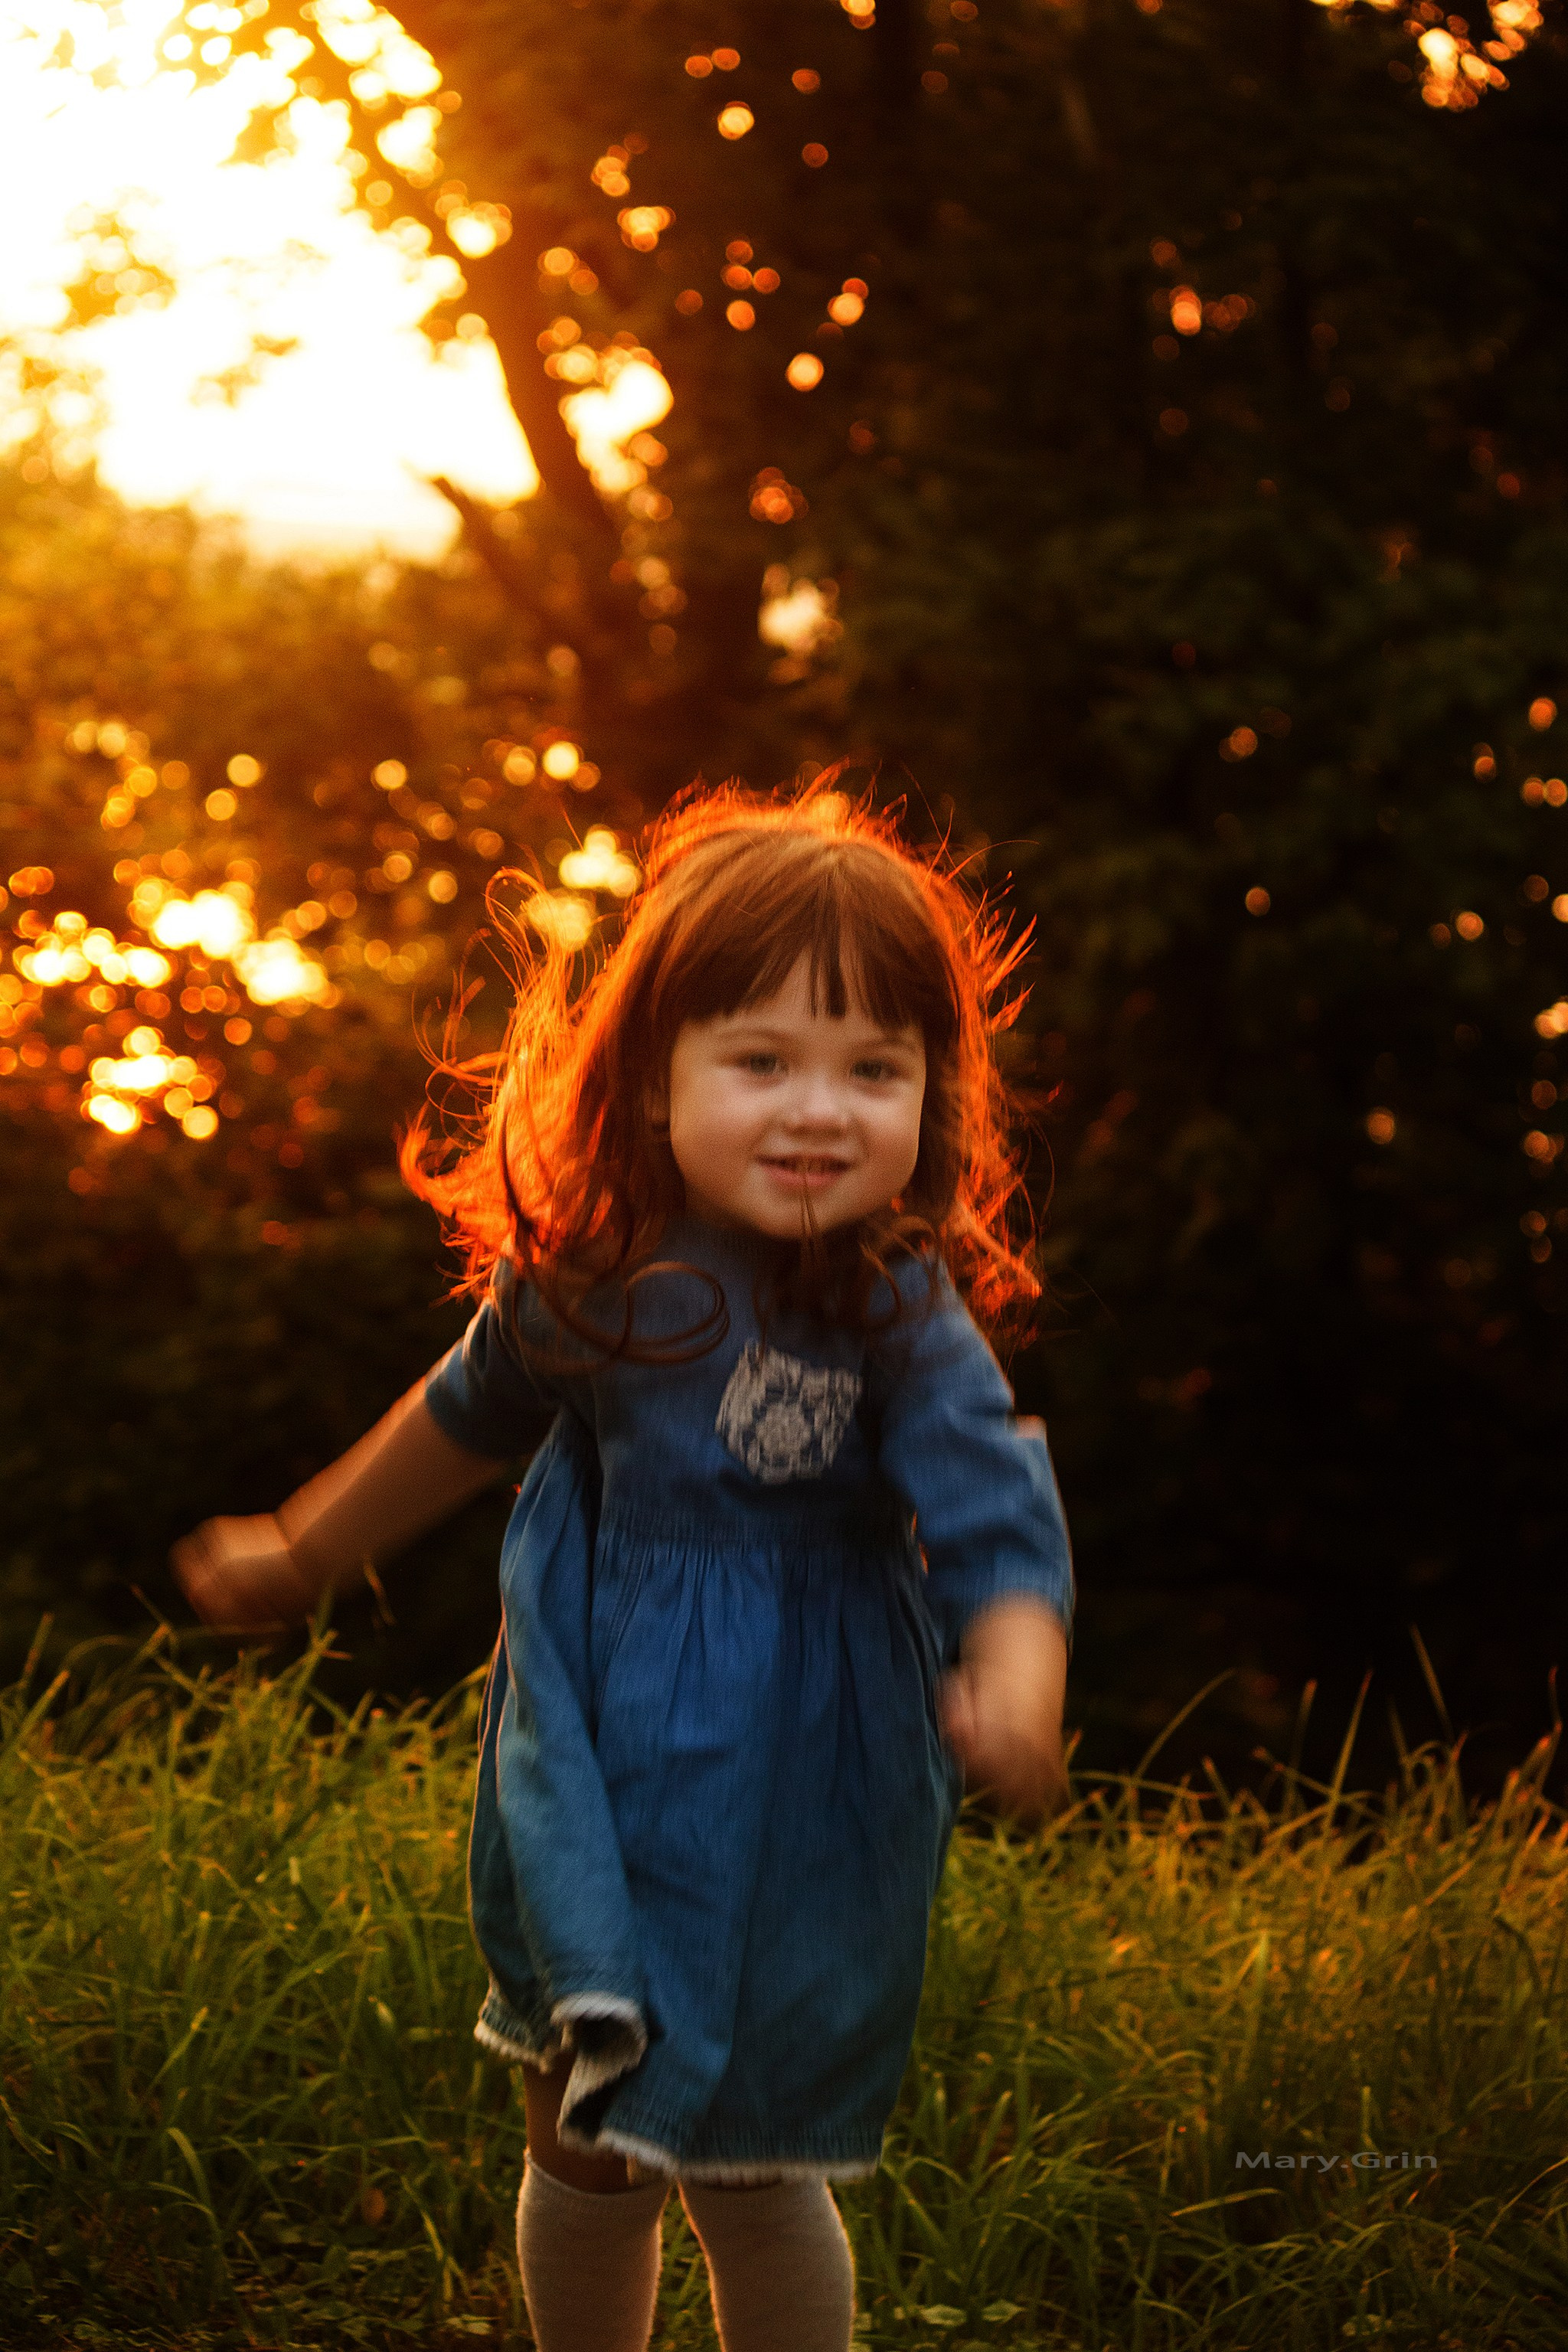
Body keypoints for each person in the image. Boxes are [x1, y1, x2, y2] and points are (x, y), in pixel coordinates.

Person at [173, 785, 1074, 2352]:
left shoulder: (895, 1312)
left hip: (806, 1772)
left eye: (876, 1069)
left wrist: (1016, 1678)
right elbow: (455, 1425)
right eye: (762, 1060)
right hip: (599, 1749)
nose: (820, 1109)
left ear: (933, 1095)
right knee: (580, 2125)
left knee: (748, 2149)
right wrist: (304, 1550)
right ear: (653, 1081)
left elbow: (998, 1515)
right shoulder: (592, 1273)